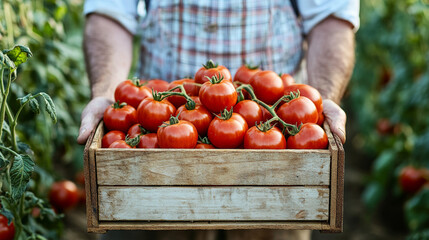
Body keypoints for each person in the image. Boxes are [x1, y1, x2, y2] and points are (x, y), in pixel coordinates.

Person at [77, 0, 359, 239]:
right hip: (155, 170)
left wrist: (322, 97)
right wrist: (106, 93)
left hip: (278, 176)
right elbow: (108, 10)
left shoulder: (275, 114)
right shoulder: (171, 115)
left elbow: (330, 17)